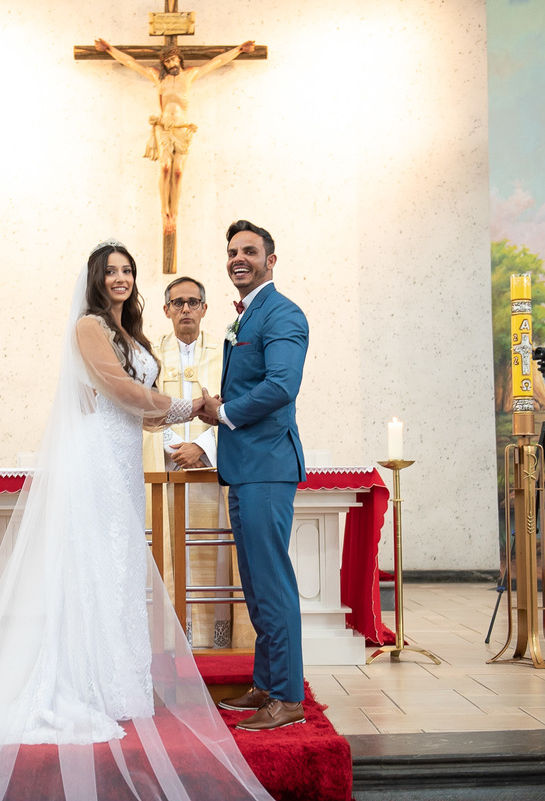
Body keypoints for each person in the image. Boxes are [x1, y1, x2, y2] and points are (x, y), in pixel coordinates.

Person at [0, 241, 272, 801]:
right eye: (110, 271)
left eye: (127, 270)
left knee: (120, 568)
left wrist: (171, 420)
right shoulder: (89, 326)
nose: (120, 278)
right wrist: (187, 407)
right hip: (95, 461)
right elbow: (117, 387)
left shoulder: (130, 332)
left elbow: (134, 402)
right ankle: (85, 684)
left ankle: (118, 685)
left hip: (123, 457)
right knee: (96, 566)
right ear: (94, 279)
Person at [200, 219, 308, 732]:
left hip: (265, 465)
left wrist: (223, 412)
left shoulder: (282, 313)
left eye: (249, 251)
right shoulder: (244, 317)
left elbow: (282, 385)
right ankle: (266, 682)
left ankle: (287, 697)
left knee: (272, 583)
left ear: (271, 259)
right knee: (255, 584)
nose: (238, 258)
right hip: (243, 467)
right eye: (232, 252)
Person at [143, 276, 235, 648]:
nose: (186, 309)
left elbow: (234, 405)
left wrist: (200, 445)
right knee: (166, 545)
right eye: (178, 303)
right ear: (166, 310)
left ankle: (218, 638)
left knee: (215, 551)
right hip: (165, 470)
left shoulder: (227, 350)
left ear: (205, 308)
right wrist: (171, 445)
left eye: (193, 302)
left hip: (213, 468)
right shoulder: (149, 353)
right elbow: (144, 405)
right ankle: (170, 637)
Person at [93, 39, 253, 235]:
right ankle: (164, 212)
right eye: (167, 61)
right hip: (163, 128)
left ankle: (174, 213)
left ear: (179, 58)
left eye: (173, 59)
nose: (171, 64)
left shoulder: (190, 75)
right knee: (165, 167)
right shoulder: (158, 77)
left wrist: (239, 49)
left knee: (177, 172)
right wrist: (109, 48)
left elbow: (217, 62)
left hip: (182, 129)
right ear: (164, 63)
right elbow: (130, 63)